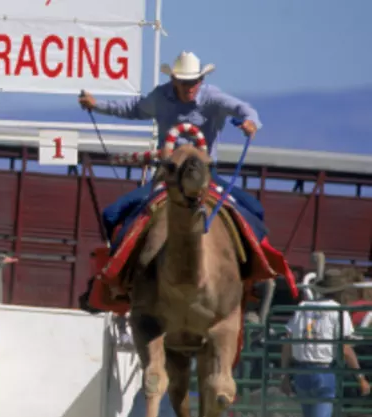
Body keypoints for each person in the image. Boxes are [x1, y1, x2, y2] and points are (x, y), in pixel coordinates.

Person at [76, 51, 265, 313]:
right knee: (113, 214)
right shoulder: (160, 97)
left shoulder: (212, 98)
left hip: (205, 176)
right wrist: (97, 105)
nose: (190, 87)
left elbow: (243, 109)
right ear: (174, 80)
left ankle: (250, 280)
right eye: (185, 82)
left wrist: (250, 122)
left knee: (255, 211)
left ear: (201, 79)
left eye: (194, 81)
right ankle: (120, 279)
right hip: (167, 176)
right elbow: (133, 108)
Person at [280, 269, 370, 417]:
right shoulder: (338, 312)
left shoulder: (302, 308)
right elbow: (345, 348)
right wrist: (360, 377)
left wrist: (285, 375)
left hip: (301, 373)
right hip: (323, 372)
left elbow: (288, 344)